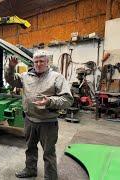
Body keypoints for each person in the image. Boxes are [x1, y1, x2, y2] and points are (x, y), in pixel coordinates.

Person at [4, 50, 73, 179]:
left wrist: (49, 101)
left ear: (47, 62)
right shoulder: (26, 76)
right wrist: (11, 67)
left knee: (48, 152)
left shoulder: (56, 77)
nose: (38, 64)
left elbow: (67, 99)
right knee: (30, 148)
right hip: (30, 120)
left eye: (42, 61)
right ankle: (30, 170)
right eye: (36, 61)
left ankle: (50, 177)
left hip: (47, 123)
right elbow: (11, 80)